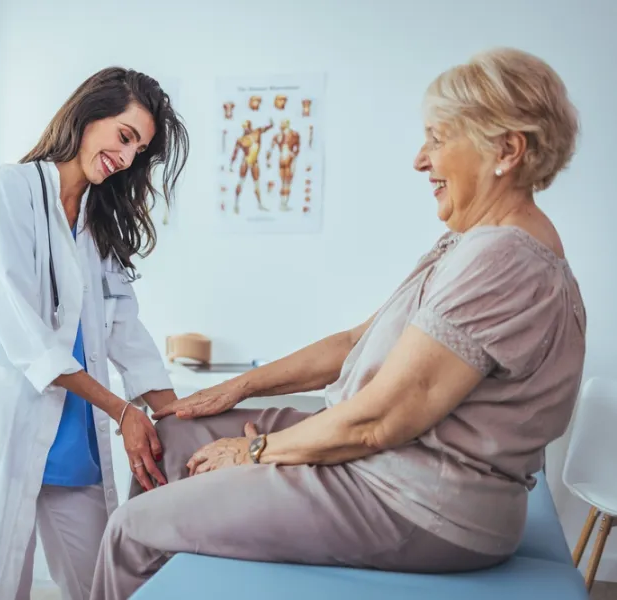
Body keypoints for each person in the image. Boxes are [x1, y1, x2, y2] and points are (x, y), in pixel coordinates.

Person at [90, 48, 586, 600]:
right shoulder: (471, 244)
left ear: (507, 150)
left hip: (419, 500)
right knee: (173, 436)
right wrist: (236, 389)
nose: (421, 160)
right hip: (383, 463)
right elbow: (356, 342)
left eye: (439, 138)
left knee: (131, 532)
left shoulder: (506, 261)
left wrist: (256, 453)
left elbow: (379, 420)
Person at [0, 67, 189, 600]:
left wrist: (176, 416)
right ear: (88, 114)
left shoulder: (98, 222)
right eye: (124, 137)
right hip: (4, 422)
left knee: (103, 582)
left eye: (138, 150)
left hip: (73, 431)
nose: (126, 159)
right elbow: (20, 326)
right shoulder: (9, 189)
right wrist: (123, 411)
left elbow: (124, 325)